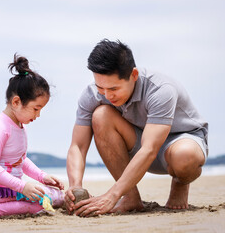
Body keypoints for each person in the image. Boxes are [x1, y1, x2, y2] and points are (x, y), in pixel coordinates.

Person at [65, 39, 208, 217]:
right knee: (101, 115)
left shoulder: (160, 89)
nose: (107, 95)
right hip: (139, 142)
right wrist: (75, 186)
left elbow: (149, 149)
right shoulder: (92, 94)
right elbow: (78, 146)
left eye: (114, 88)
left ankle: (180, 184)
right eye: (101, 87)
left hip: (180, 140)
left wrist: (112, 195)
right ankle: (131, 197)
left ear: (133, 75)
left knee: (184, 157)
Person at [0, 54, 64, 218]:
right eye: (36, 109)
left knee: (52, 195)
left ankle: (59, 198)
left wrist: (42, 176)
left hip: (9, 187)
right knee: (42, 203)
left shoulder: (19, 125)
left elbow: (20, 160)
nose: (37, 115)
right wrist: (23, 187)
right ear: (16, 102)